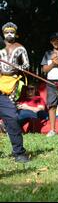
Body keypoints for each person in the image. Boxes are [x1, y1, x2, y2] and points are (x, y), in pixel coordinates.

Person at [0, 26, 30, 163]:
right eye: (7, 32)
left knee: (12, 118)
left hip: (9, 86)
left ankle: (19, 152)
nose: (9, 34)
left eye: (12, 32)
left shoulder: (20, 48)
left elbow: (27, 66)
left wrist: (19, 68)